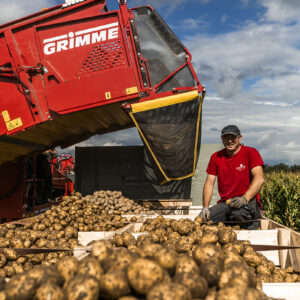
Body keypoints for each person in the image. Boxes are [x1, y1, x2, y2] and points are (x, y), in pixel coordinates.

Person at [200, 125, 265, 229]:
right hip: (227, 202)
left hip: (247, 200)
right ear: (222, 139)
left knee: (238, 215)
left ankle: (253, 224)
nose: (229, 141)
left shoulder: (251, 152)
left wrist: (245, 198)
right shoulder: (216, 157)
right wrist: (205, 207)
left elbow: (259, 178)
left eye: (233, 138)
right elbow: (209, 183)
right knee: (203, 220)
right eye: (226, 138)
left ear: (240, 138)